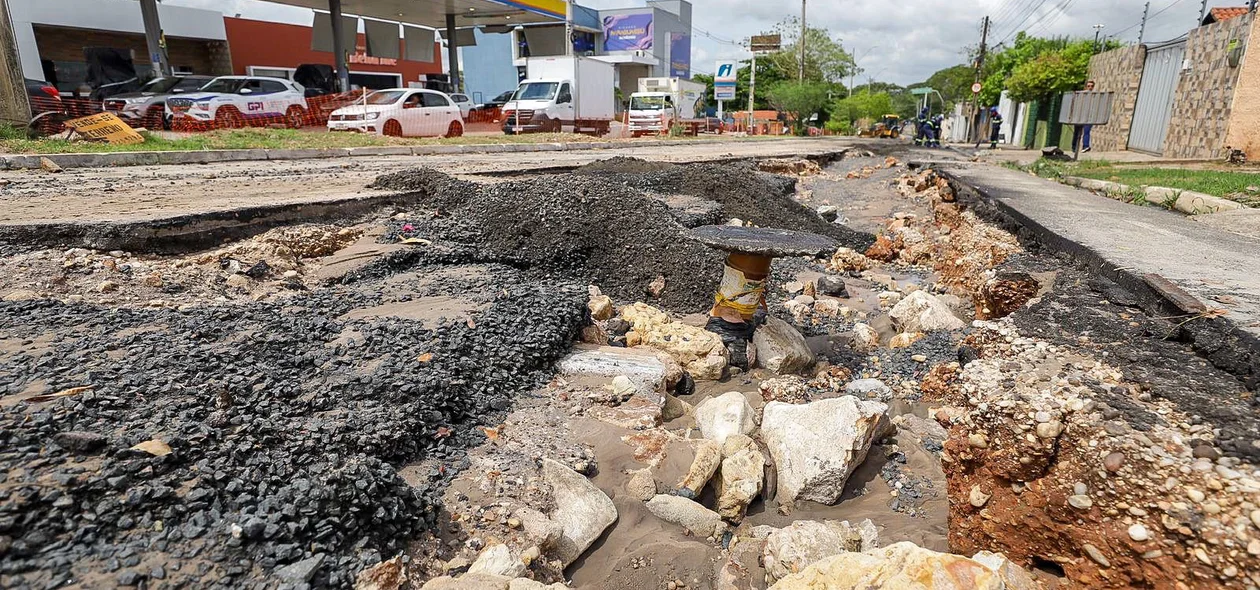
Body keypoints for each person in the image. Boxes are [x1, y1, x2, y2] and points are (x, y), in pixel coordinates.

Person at [1072, 80, 1096, 152]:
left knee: (1086, 131)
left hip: (1089, 117)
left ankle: (1085, 146)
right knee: (1077, 132)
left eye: (1092, 86)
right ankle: (1074, 146)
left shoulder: (1094, 96)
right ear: (1085, 87)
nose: (1090, 88)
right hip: (1080, 116)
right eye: (1088, 86)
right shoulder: (1081, 95)